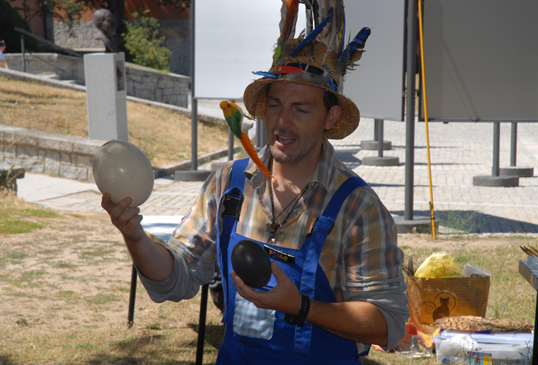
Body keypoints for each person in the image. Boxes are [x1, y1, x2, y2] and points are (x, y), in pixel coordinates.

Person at [102, 1, 409, 363]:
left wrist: (301, 306)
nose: (282, 121)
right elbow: (176, 276)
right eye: (275, 105)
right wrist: (135, 236)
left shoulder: (357, 207)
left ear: (331, 116)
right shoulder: (229, 184)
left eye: (301, 109)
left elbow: (387, 323)